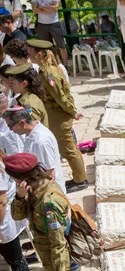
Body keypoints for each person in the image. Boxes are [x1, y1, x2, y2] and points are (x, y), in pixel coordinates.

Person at [28, 39, 88, 192]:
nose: (29, 55)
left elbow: (60, 97)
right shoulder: (46, 69)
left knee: (69, 149)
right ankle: (78, 177)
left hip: (59, 116)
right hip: (56, 115)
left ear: (40, 54)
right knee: (68, 148)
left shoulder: (49, 73)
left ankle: (81, 180)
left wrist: (72, 111)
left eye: (31, 52)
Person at [0, 146, 33, 271]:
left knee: (14, 257)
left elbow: (1, 202)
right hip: (7, 219)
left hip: (4, 221)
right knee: (13, 257)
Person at [31, 0, 67, 65]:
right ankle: (53, 66)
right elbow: (34, 10)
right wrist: (49, 8)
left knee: (61, 46)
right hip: (42, 24)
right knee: (47, 47)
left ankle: (66, 65)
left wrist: (42, 7)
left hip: (54, 23)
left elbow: (56, 8)